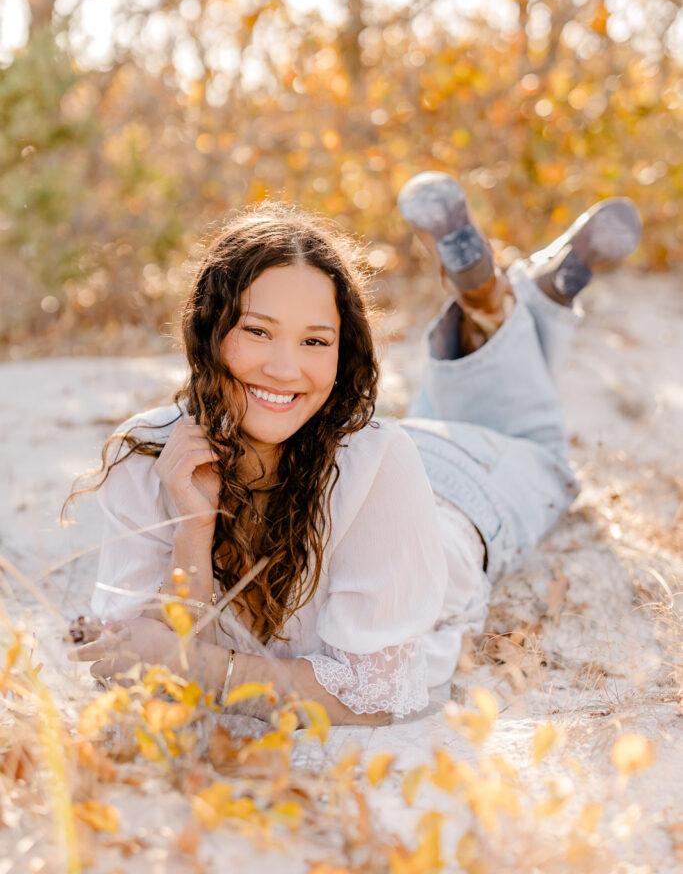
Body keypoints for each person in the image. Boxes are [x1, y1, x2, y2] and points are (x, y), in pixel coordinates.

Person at [67, 174, 641, 725]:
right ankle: (521, 298)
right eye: (258, 331)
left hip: (461, 493)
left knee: (540, 449)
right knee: (488, 404)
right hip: (393, 459)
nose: (286, 367)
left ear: (342, 354)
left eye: (315, 341)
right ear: (209, 328)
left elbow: (372, 696)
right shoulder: (150, 453)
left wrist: (200, 666)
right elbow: (131, 664)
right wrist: (193, 529)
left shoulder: (376, 457)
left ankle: (515, 300)